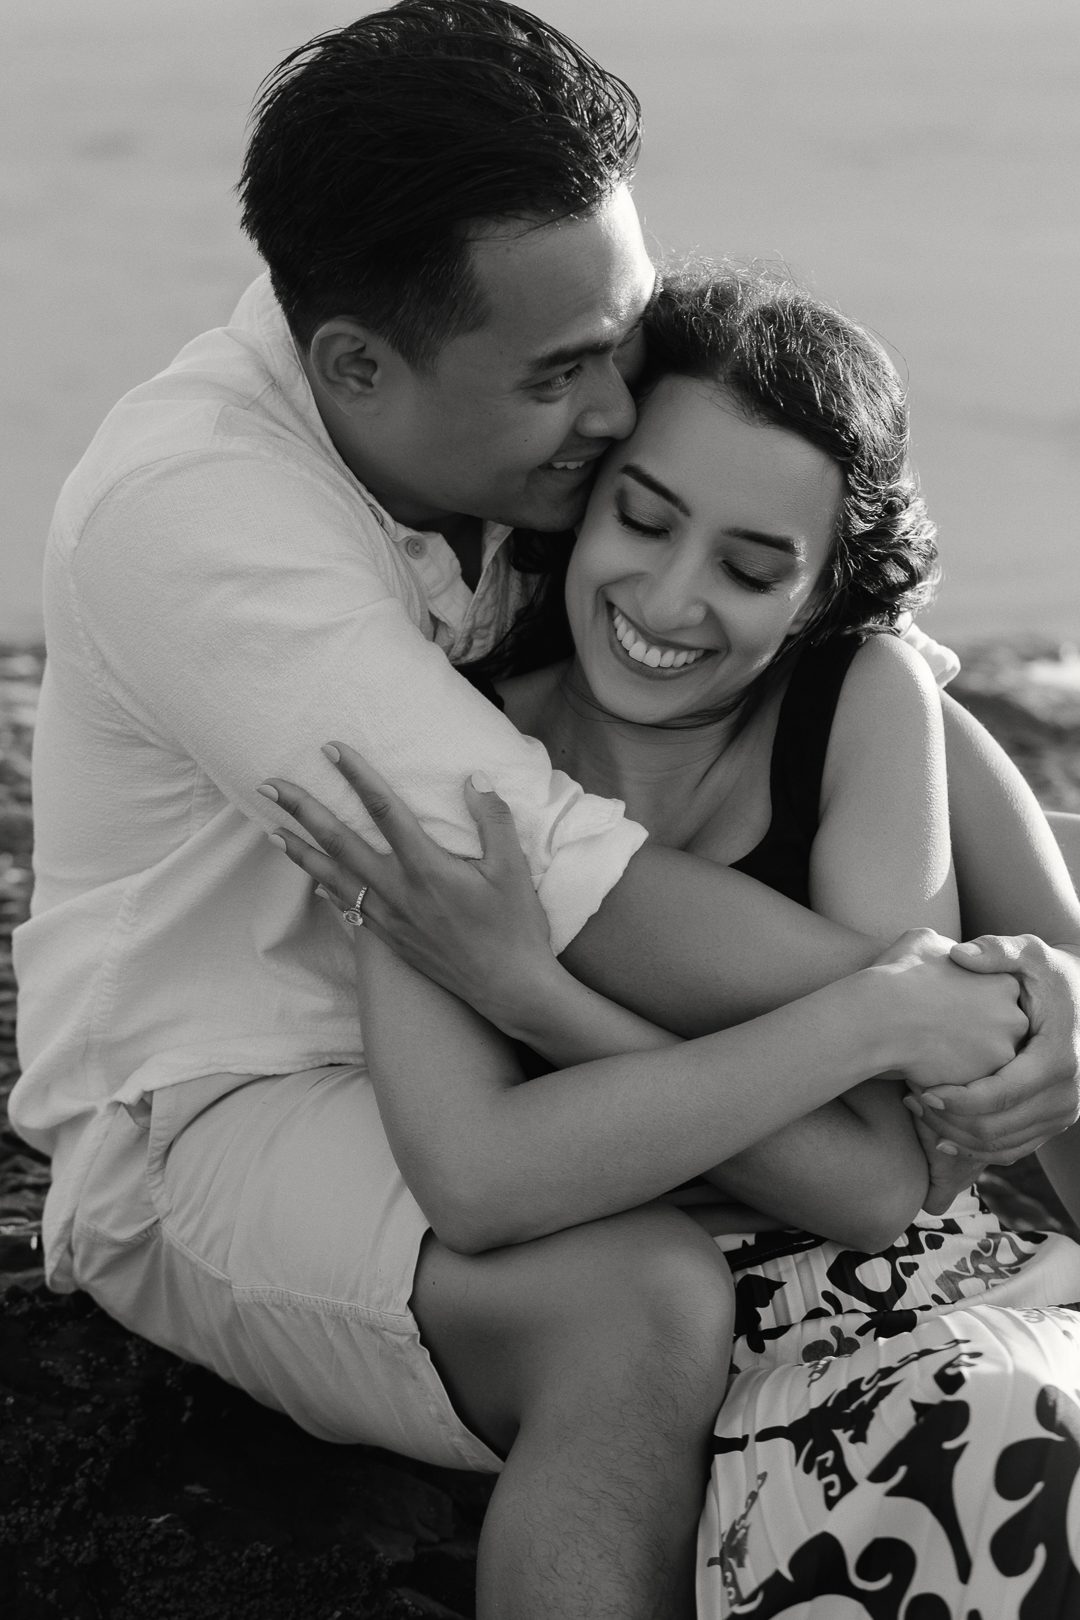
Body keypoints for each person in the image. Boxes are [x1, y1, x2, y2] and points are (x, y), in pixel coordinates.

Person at [10, 6, 1077, 1617]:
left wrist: (1045, 983)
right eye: (564, 374)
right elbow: (586, 902)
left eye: (623, 339)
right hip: (231, 1109)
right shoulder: (200, 524)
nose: (610, 410)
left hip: (510, 1030)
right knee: (641, 1302)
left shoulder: (519, 458)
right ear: (355, 363)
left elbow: (872, 667)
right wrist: (937, 1009)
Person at [265, 263, 1080, 1617]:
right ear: (584, 498)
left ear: (824, 594)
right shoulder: (451, 748)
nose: (671, 599)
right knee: (1018, 1454)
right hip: (736, 1351)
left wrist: (536, 995)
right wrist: (857, 1026)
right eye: (642, 519)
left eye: (755, 568)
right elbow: (480, 1180)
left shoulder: (865, 704)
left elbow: (886, 1172)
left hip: (998, 1291)